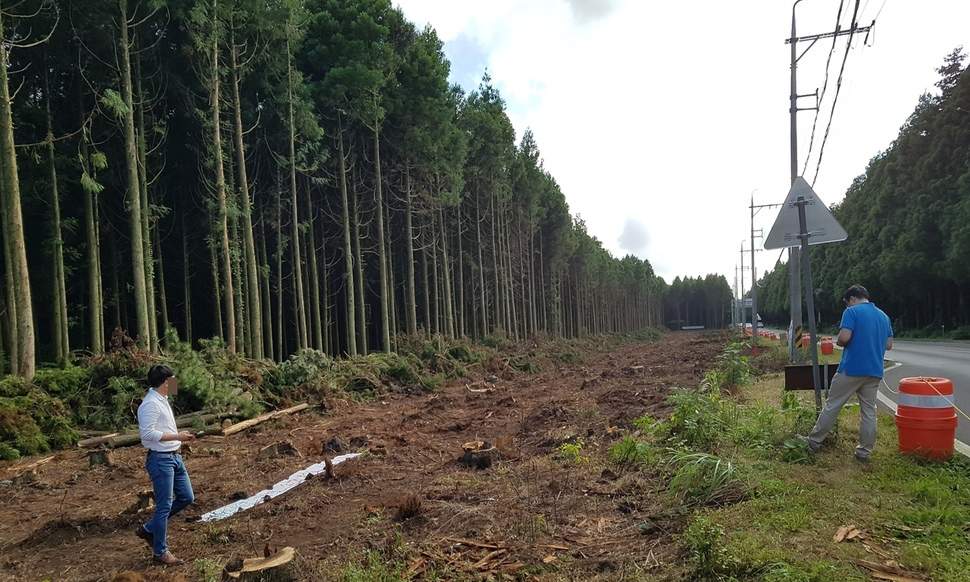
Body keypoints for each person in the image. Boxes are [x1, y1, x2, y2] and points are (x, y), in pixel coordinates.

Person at [802, 284, 893, 463]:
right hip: (874, 370)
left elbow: (844, 338)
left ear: (852, 299)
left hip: (851, 369)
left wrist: (841, 342)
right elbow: (889, 345)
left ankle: (813, 442)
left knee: (833, 405)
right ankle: (864, 452)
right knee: (869, 411)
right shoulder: (884, 316)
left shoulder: (851, 312)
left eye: (847, 303)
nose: (847, 306)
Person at [135, 364, 196, 565]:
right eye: (173, 379)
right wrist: (178, 436)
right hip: (161, 460)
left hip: (174, 457)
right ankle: (160, 552)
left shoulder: (162, 400)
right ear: (165, 382)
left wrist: (178, 440)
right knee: (164, 506)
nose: (176, 382)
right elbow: (146, 435)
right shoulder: (150, 404)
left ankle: (149, 529)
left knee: (187, 497)